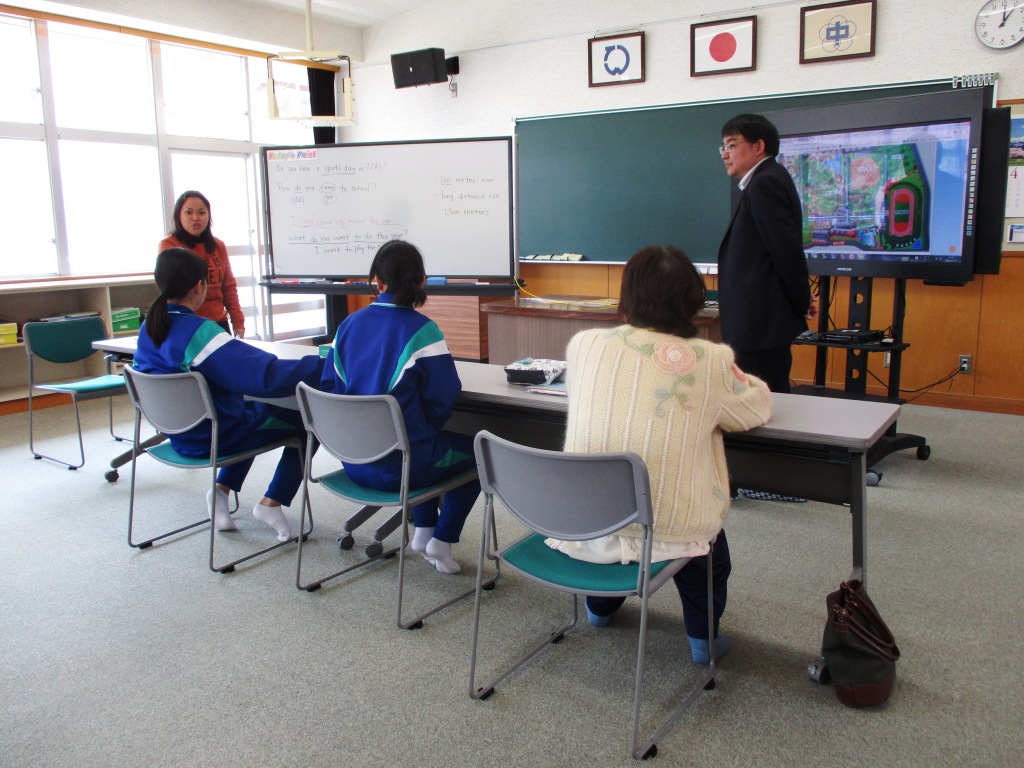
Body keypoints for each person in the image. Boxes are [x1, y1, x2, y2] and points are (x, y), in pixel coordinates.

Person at [549, 245, 772, 664]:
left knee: (624, 515)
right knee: (707, 550)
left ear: (628, 295)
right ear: (693, 300)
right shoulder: (709, 360)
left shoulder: (584, 345)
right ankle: (703, 641)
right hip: (668, 527)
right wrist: (747, 380)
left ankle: (599, 609)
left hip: (585, 521)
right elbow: (754, 409)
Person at [133, 247, 324, 540]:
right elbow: (265, 377)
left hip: (179, 435)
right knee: (307, 424)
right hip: (211, 437)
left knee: (247, 412)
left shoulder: (149, 327)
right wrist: (324, 363)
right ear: (199, 286)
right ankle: (271, 503)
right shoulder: (197, 332)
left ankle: (220, 491)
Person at [320, 240, 479, 575]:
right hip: (403, 468)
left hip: (352, 462)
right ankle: (441, 539)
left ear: (377, 281)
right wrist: (423, 427)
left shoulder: (347, 326)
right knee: (478, 455)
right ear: (422, 281)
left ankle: (423, 531)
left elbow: (329, 388)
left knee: (421, 446)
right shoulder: (423, 331)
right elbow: (445, 395)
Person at [717, 113, 817, 394]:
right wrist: (801, 297)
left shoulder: (765, 182)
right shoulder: (765, 179)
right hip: (758, 319)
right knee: (761, 395)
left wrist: (801, 300)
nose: (725, 154)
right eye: (723, 147)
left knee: (761, 396)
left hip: (759, 322)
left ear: (759, 146)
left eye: (732, 145)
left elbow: (785, 251)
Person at [159, 190, 245, 338]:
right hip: (186, 323)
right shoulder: (169, 244)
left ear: (209, 216)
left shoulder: (218, 245)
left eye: (201, 213)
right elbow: (170, 288)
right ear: (179, 215)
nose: (195, 218)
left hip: (218, 323)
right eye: (188, 212)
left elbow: (228, 286)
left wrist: (238, 320)